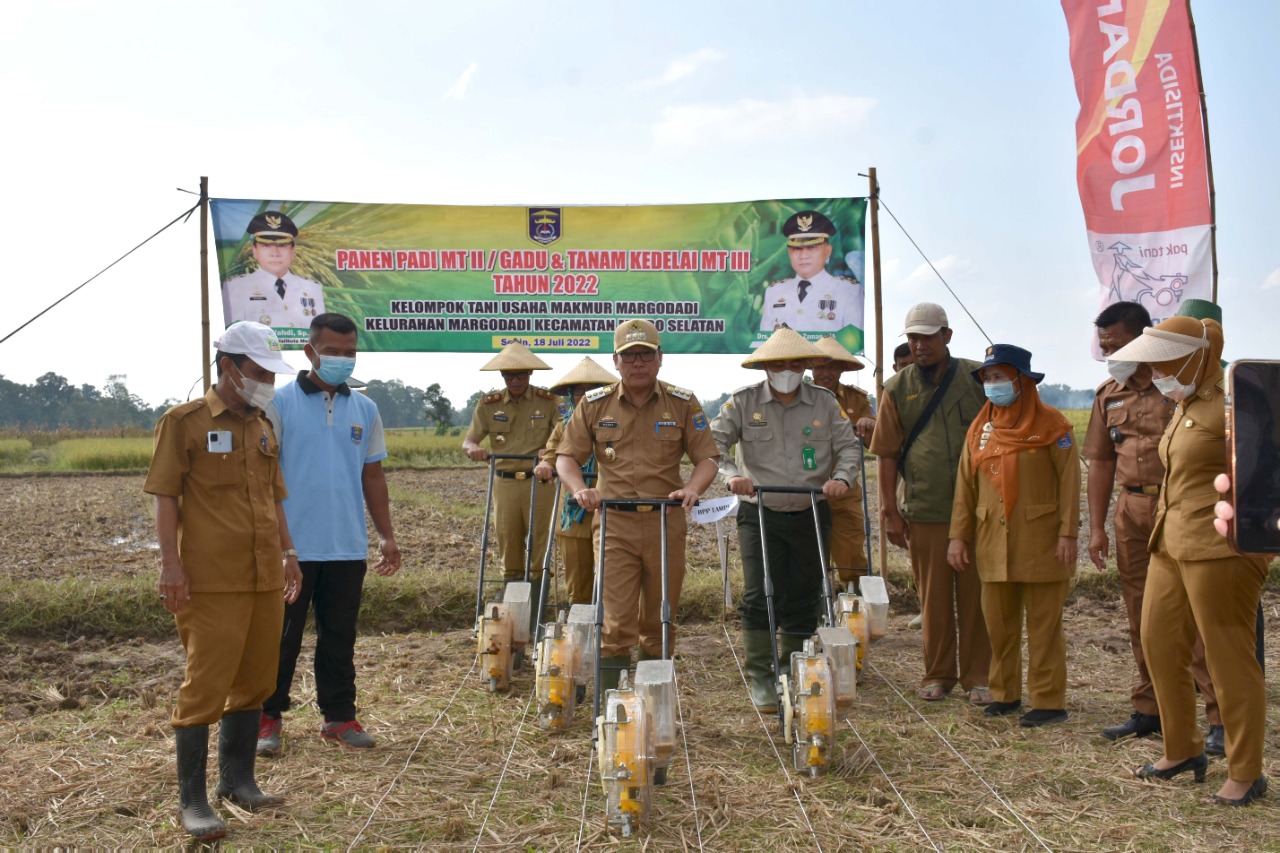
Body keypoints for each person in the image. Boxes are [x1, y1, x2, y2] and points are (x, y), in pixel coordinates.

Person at [143, 321, 303, 841]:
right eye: (259, 372)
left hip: (264, 576)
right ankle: (192, 800)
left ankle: (239, 782)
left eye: (272, 374)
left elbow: (275, 497)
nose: (267, 383)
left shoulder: (263, 424)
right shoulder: (183, 422)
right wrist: (170, 566)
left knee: (257, 679)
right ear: (228, 366)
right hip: (211, 580)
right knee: (206, 684)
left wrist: (289, 554)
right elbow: (166, 497)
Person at [1109, 315, 1270, 806]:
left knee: (1227, 658)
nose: (1156, 372)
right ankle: (1182, 749)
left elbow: (1265, 472)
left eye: (1165, 363)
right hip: (1170, 543)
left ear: (1194, 358)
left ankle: (1246, 771)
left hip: (1220, 550)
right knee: (1158, 643)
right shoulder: (1186, 403)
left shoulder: (1234, 403)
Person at [255, 313, 401, 756]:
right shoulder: (277, 404)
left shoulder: (365, 409)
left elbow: (372, 476)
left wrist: (386, 535)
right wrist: (283, 546)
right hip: (292, 549)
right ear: (310, 352)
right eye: (332, 351)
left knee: (339, 638)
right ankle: (266, 718)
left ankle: (339, 717)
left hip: (346, 546)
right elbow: (264, 479)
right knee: (280, 639)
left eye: (349, 352)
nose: (342, 359)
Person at [1083, 301, 1222, 747]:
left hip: (1181, 508)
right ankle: (1151, 708)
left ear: (1144, 340)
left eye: (1118, 345)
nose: (1111, 355)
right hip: (1132, 511)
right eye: (1105, 348)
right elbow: (1101, 462)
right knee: (1142, 613)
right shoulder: (1109, 394)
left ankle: (1218, 715)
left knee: (1199, 615)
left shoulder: (1180, 386)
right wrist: (1098, 528)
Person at [555, 320, 720, 689]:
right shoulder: (594, 405)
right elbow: (566, 458)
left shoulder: (682, 403)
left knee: (661, 616)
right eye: (629, 356)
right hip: (614, 524)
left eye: (646, 354)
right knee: (614, 619)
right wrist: (580, 489)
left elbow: (708, 458)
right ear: (615, 361)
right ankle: (612, 704)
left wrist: (693, 488)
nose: (638, 363)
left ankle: (652, 699)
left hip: (665, 522)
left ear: (660, 357)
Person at [711, 328, 859, 710]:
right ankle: (762, 675)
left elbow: (848, 446)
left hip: (811, 509)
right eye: (779, 364)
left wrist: (842, 479)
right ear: (765, 367)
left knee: (805, 592)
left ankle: (794, 669)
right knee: (760, 592)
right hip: (760, 511)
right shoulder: (743, 402)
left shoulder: (825, 402)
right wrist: (732, 475)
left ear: (806, 365)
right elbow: (712, 445)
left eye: (795, 364)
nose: (787, 371)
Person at [948, 345, 1080, 727]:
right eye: (988, 378)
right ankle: (1004, 694)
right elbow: (965, 487)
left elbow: (1070, 484)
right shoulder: (980, 431)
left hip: (1043, 542)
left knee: (1044, 627)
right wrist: (958, 537)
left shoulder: (1054, 427)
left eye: (1000, 377)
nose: (993, 385)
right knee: (999, 625)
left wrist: (1068, 534)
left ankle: (1049, 701)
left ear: (1022, 381)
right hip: (992, 541)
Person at [870, 303, 991, 703]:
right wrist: (889, 511)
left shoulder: (977, 378)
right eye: (913, 338)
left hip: (977, 510)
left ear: (947, 336)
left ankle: (979, 677)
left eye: (927, 337)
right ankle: (937, 674)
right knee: (933, 600)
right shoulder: (897, 388)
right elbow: (886, 454)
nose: (919, 345)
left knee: (976, 599)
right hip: (925, 509)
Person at [463, 342, 563, 631]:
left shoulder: (549, 402)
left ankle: (535, 621)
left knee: (541, 547)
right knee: (509, 545)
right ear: (502, 376)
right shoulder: (488, 404)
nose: (515, 380)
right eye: (509, 375)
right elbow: (469, 440)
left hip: (540, 482)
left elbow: (563, 434)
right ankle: (513, 624)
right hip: (504, 482)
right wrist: (473, 449)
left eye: (520, 375)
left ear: (530, 373)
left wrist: (550, 453)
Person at [538, 357, 618, 606]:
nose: (585, 396)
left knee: (614, 584)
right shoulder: (563, 425)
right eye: (580, 390)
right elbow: (551, 453)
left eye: (592, 390)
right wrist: (546, 465)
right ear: (571, 394)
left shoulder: (620, 422)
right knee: (579, 589)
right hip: (573, 513)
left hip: (610, 510)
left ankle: (611, 628)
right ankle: (580, 627)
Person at [810, 335, 873, 579]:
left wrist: (870, 424)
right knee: (809, 554)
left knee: (850, 553)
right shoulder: (798, 395)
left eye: (833, 367)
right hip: (806, 488)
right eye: (820, 367)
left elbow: (873, 443)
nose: (826, 373)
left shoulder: (857, 399)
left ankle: (853, 594)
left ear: (842, 370)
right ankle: (816, 598)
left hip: (845, 489)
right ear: (811, 368)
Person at [759, 210, 862, 336]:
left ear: (828, 251)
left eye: (812, 248)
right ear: (789, 253)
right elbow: (763, 341)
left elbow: (855, 340)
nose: (803, 255)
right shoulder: (774, 292)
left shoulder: (849, 291)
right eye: (796, 248)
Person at [222, 211, 326, 331]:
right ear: (254, 250)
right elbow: (234, 336)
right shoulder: (236, 287)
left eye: (282, 246)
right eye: (266, 246)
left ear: (293, 251)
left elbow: (319, 335)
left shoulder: (312, 288)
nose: (275, 253)